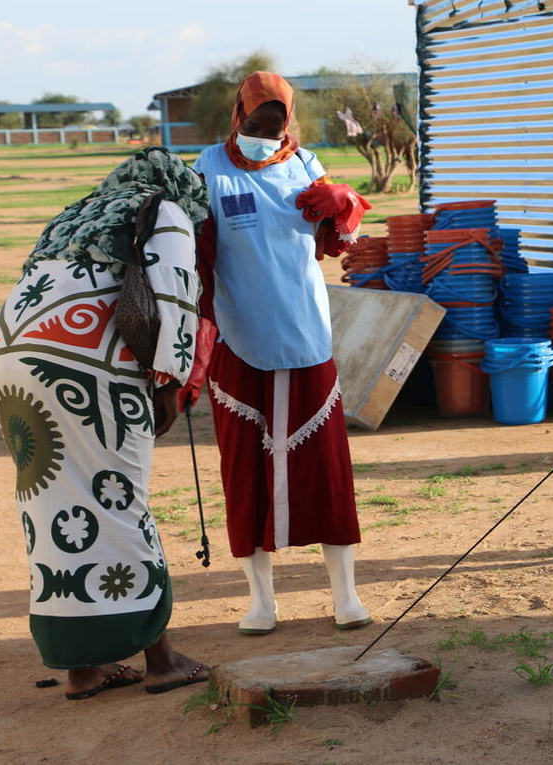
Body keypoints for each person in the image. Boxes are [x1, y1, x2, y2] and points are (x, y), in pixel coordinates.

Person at [0, 147, 212, 698]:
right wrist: (171, 382)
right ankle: (162, 659)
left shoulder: (77, 211)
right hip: (86, 359)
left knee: (51, 501)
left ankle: (83, 667)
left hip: (9, 352)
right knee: (118, 495)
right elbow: (175, 296)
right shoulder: (166, 209)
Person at [193, 71, 372, 635]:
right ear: (237, 118)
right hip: (238, 338)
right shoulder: (207, 169)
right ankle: (261, 602)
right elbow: (195, 251)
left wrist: (343, 210)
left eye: (276, 126)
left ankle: (345, 595)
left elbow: (331, 245)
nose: (265, 135)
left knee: (326, 468)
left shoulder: (305, 164)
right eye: (256, 125)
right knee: (243, 470)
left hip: (304, 334)